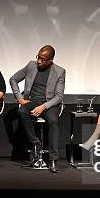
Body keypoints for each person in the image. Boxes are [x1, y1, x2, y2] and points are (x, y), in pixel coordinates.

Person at [10, 45, 65, 173]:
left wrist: (43, 107)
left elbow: (59, 97)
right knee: (22, 111)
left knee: (53, 121)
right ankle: (35, 142)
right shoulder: (31, 65)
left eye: (43, 59)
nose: (39, 61)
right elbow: (13, 79)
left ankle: (53, 159)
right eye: (38, 57)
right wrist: (20, 99)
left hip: (49, 103)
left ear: (51, 60)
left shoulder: (59, 71)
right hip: (32, 100)